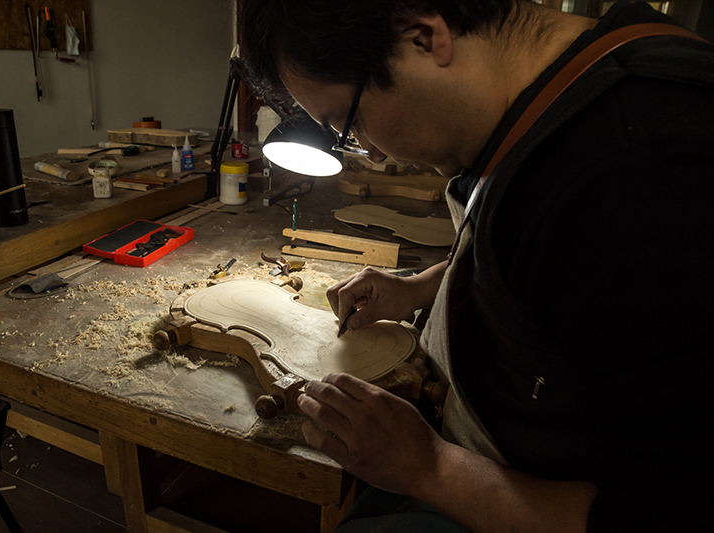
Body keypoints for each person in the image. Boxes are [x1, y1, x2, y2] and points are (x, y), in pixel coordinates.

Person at [242, 1, 714, 531]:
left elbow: (665, 516)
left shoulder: (642, 173)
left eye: (349, 123)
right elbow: (556, 270)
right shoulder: (547, 92)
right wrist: (422, 287)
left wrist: (429, 468)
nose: (370, 153)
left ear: (423, 36)